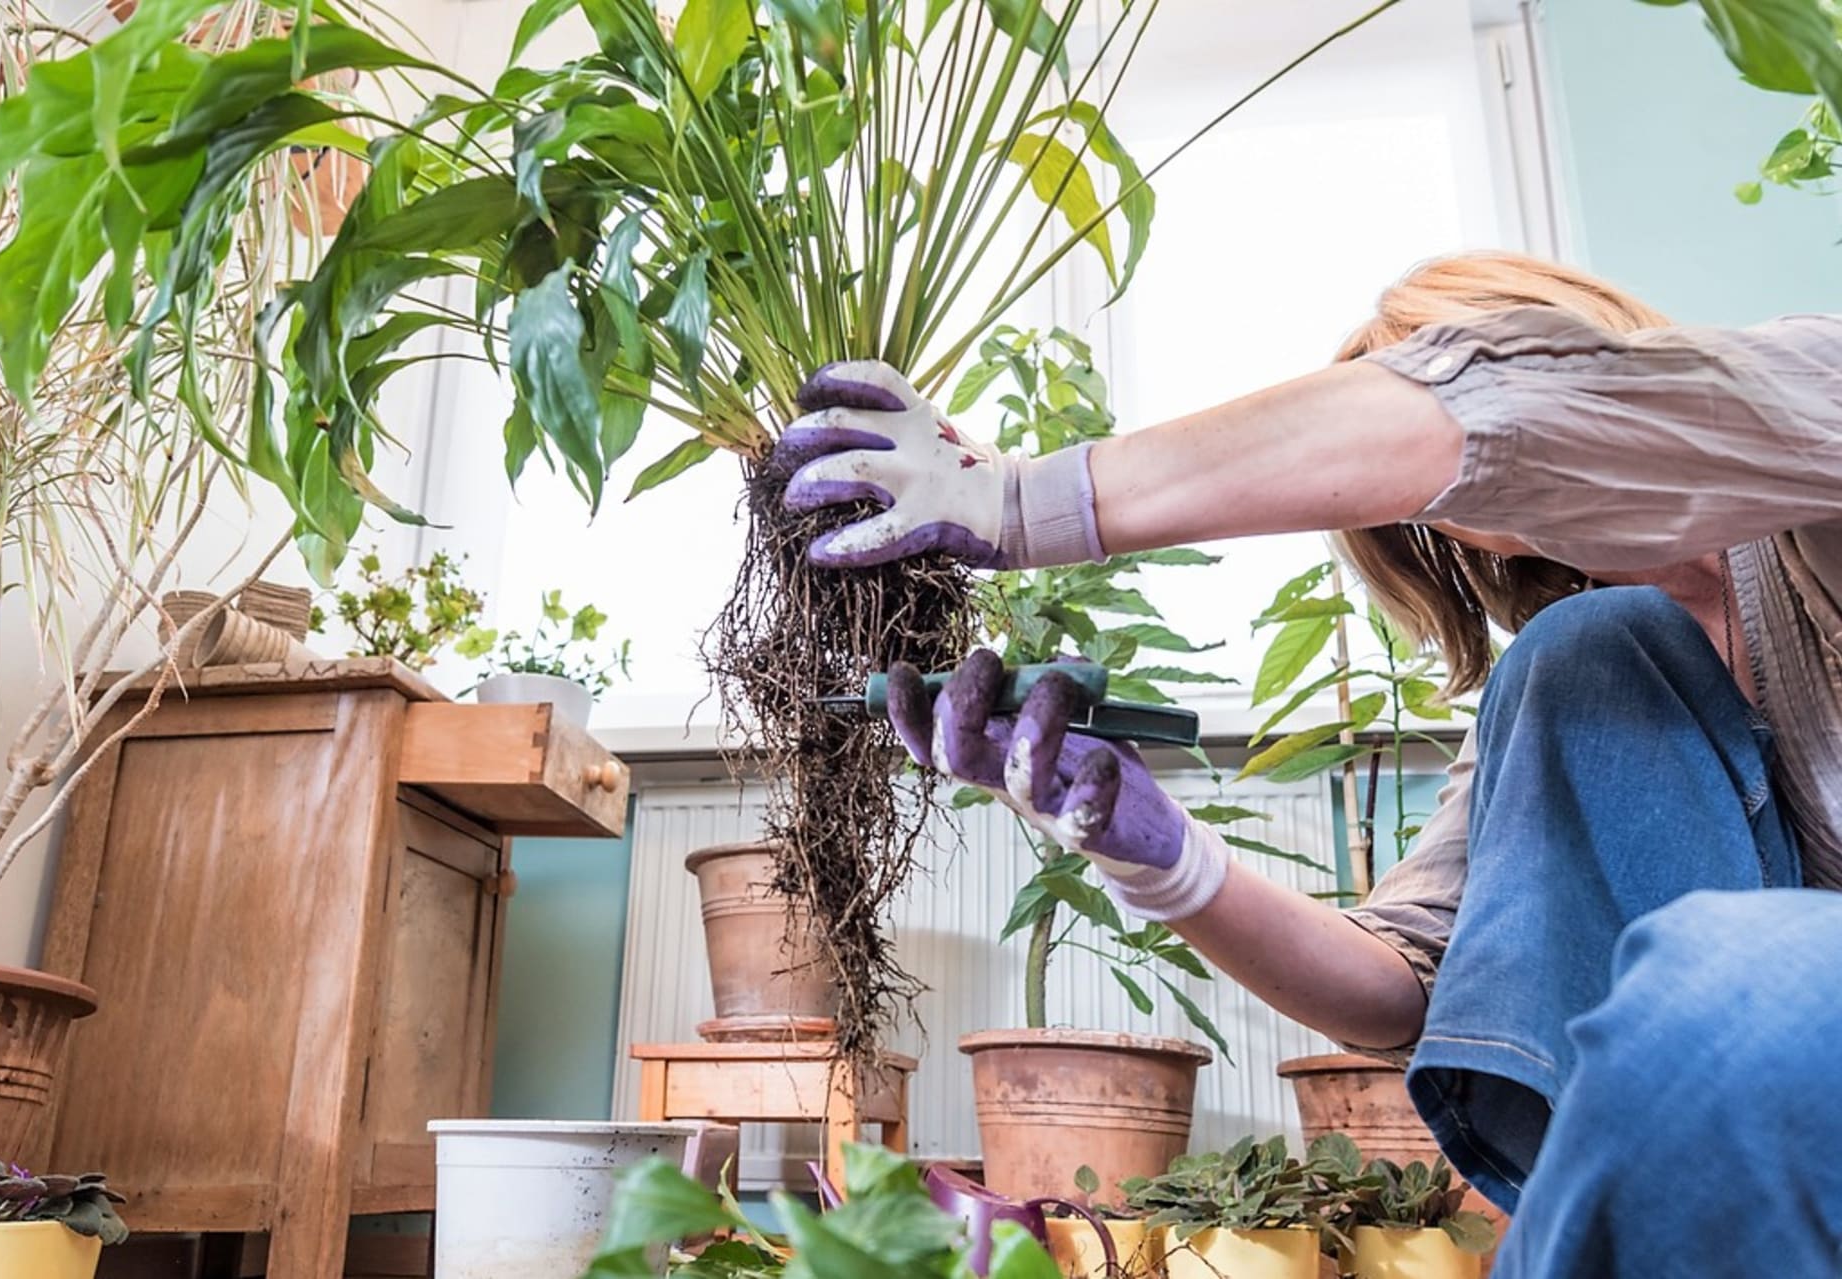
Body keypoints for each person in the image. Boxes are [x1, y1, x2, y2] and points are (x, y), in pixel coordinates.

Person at [775, 252, 1842, 1278]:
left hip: (1776, 1028)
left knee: (1731, 983)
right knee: (1591, 661)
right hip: (1735, 1093)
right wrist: (1158, 859)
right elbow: (1409, 983)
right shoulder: (1592, 675)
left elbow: (1519, 410)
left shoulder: (1813, 402)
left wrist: (1022, 501)